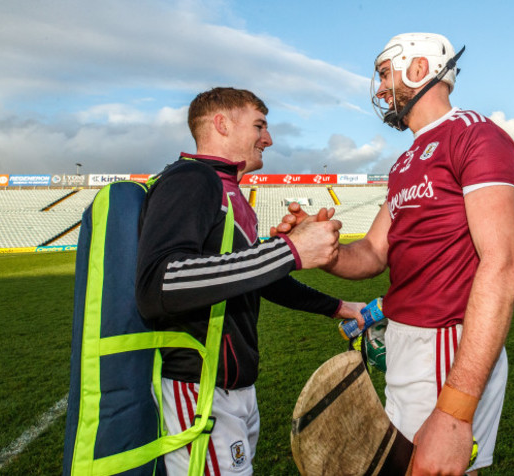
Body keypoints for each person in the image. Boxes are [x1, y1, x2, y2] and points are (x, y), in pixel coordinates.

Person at [276, 33, 514, 475]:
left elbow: (501, 264)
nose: (381, 88)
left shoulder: (477, 136)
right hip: (404, 340)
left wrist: (455, 411)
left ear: (420, 69)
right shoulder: (404, 162)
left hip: (447, 341)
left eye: (386, 73)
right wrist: (325, 250)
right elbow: (372, 252)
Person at [135, 87, 365, 475]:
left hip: (232, 385)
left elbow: (256, 278)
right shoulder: (192, 179)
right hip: (200, 385)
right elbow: (160, 284)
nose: (269, 138)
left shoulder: (228, 191)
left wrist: (339, 307)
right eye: (259, 125)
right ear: (221, 124)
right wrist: (288, 251)